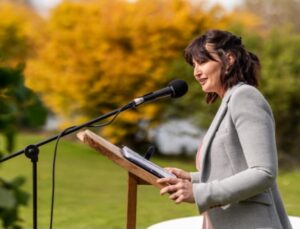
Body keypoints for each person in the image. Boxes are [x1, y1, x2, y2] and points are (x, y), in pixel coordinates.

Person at [157, 29, 292, 229]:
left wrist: (199, 193)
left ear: (228, 59)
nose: (196, 72)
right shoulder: (228, 102)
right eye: (193, 65)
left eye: (202, 62)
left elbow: (263, 172)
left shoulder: (245, 97)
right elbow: (234, 167)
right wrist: (192, 178)